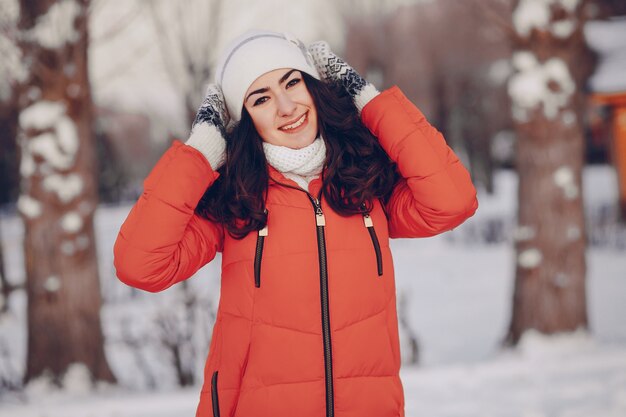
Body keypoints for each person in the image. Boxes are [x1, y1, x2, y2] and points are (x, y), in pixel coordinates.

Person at [114, 29, 478, 417]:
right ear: (245, 119)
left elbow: (453, 201)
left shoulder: (365, 186)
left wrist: (366, 98)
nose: (287, 107)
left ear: (316, 88)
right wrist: (200, 152)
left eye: (292, 82)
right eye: (261, 98)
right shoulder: (236, 202)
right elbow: (140, 266)